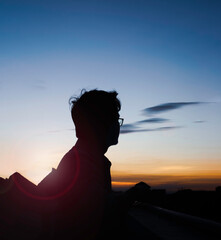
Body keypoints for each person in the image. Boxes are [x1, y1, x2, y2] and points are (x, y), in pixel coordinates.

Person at [0, 89, 147, 239]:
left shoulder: (83, 159)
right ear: (100, 124)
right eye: (116, 119)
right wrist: (134, 194)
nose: (118, 125)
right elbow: (100, 212)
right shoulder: (82, 165)